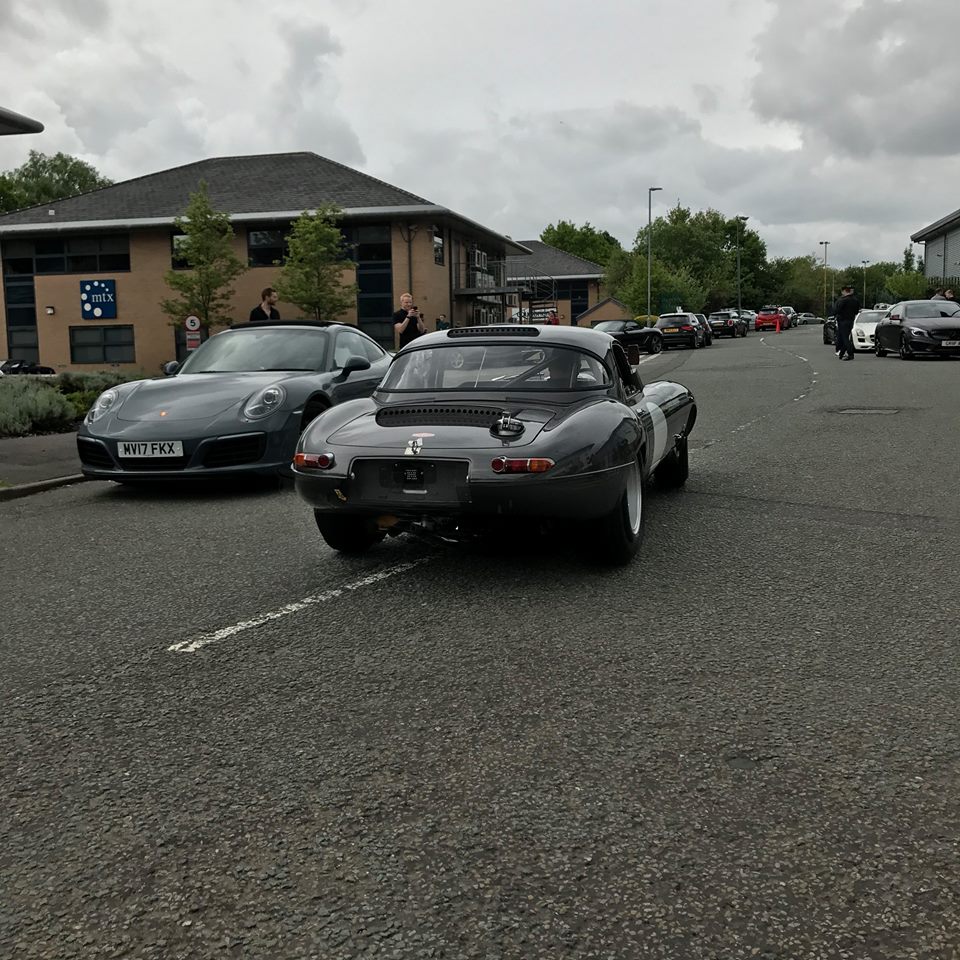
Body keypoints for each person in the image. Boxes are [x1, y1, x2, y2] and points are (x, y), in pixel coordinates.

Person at [834, 284, 861, 361]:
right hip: (851, 320)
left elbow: (837, 310)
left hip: (843, 321)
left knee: (845, 338)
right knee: (846, 337)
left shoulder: (843, 300)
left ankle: (850, 354)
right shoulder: (855, 300)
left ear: (845, 291)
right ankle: (842, 353)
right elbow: (856, 311)